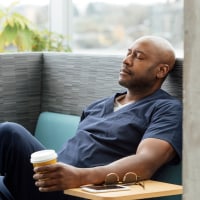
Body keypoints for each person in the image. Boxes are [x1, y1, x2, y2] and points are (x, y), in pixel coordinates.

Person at [0, 35, 182, 200]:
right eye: (128, 53)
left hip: (82, 191)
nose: (126, 61)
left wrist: (80, 176)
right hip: (47, 185)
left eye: (138, 57)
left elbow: (146, 162)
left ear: (161, 71)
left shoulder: (166, 109)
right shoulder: (97, 106)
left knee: (10, 133)